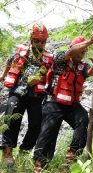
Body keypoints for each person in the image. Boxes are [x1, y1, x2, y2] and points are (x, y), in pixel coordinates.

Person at [33, 32, 93, 172]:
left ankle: (72, 155)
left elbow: (90, 73)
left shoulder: (82, 66)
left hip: (72, 105)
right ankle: (39, 163)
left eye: (84, 51)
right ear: (73, 47)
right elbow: (70, 52)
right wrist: (89, 41)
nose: (82, 52)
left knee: (83, 119)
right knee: (49, 132)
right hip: (54, 102)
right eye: (80, 49)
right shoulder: (61, 58)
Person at [0, 23, 53, 167]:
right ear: (31, 39)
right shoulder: (21, 50)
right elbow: (9, 61)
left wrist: (41, 78)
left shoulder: (49, 56)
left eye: (43, 41)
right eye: (37, 40)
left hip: (36, 94)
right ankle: (7, 152)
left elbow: (51, 74)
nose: (40, 44)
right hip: (18, 90)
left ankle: (24, 151)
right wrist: (3, 75)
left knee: (36, 124)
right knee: (11, 119)